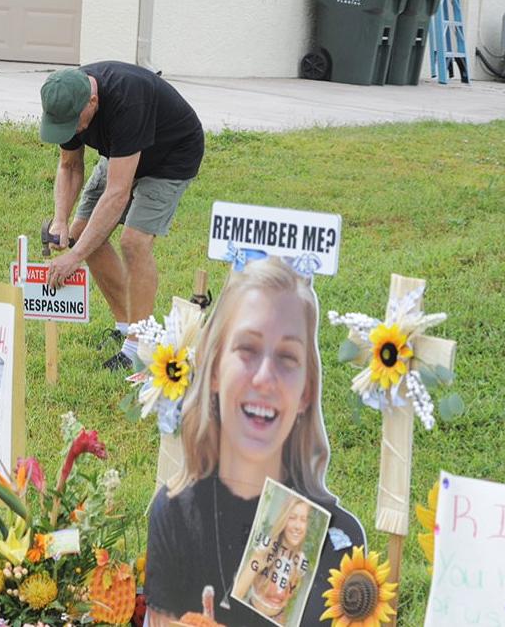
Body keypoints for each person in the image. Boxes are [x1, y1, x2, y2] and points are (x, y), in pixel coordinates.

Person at [144, 257, 365, 627]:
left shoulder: (336, 539)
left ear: (307, 391)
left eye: (287, 357)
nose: (265, 377)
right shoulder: (176, 516)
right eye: (247, 349)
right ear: (214, 370)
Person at [38, 61, 204, 370]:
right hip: (121, 155)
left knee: (133, 242)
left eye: (75, 123)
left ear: (93, 101)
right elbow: (69, 165)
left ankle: (139, 345)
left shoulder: (128, 99)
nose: (72, 131)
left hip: (171, 156)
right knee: (84, 231)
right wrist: (61, 219)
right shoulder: (67, 99)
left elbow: (117, 193)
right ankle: (126, 326)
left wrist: (74, 257)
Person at [233, 497, 315, 625]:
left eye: (303, 520)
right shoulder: (266, 548)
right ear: (284, 519)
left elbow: (287, 600)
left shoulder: (301, 561)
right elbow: (238, 593)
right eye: (292, 518)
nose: (298, 526)